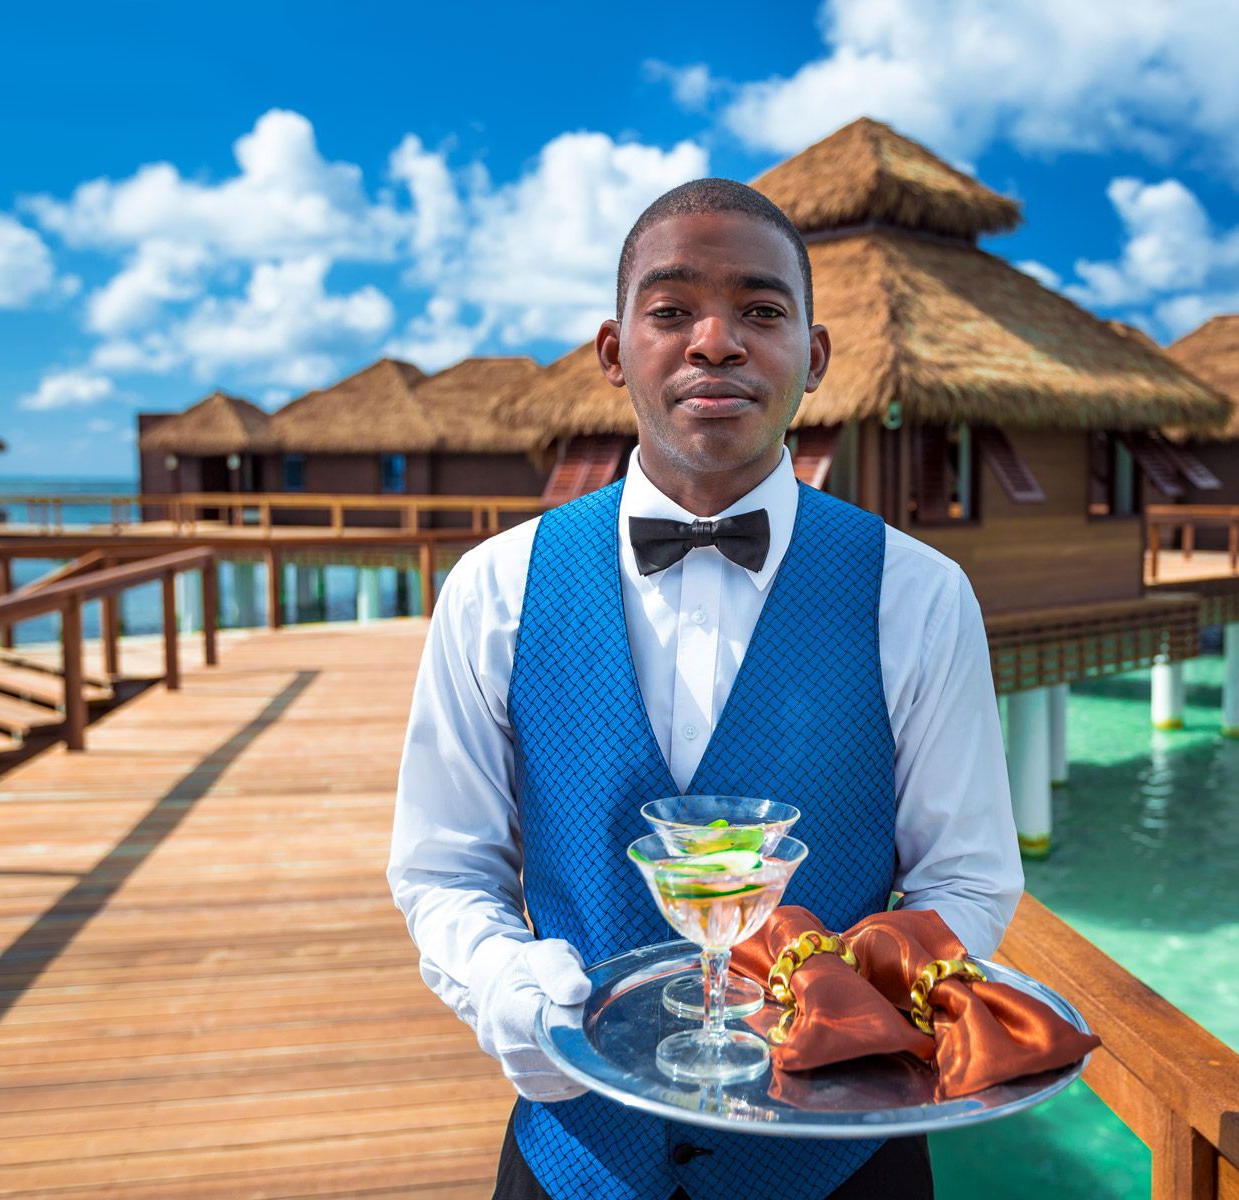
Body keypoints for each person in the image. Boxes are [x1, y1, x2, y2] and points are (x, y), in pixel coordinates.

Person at [388, 178, 1023, 1200]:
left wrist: (857, 1000)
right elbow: (444, 866)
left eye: (763, 312)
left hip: (842, 1159)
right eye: (673, 309)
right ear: (613, 351)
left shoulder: (920, 594)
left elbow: (969, 876)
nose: (716, 341)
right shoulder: (492, 590)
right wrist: (504, 988)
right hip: (575, 1159)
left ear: (815, 359)